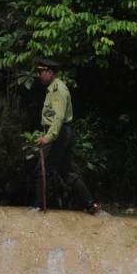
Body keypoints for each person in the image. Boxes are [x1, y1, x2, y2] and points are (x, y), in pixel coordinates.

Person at [33, 58, 101, 214]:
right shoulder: (53, 88)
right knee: (66, 172)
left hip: (59, 133)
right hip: (62, 132)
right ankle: (90, 204)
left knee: (42, 171)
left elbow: (58, 116)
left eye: (41, 72)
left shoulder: (58, 89)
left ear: (49, 72)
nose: (39, 75)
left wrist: (48, 137)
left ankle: (39, 206)